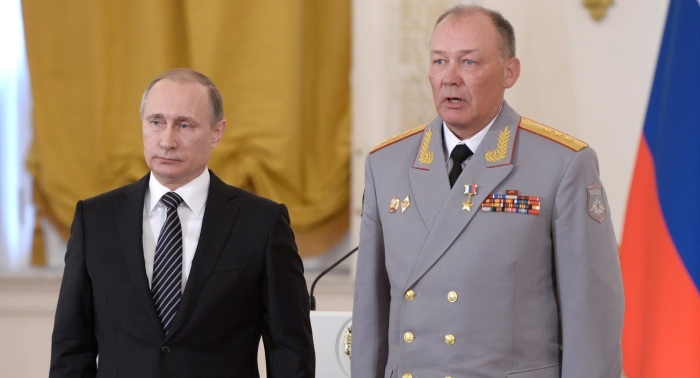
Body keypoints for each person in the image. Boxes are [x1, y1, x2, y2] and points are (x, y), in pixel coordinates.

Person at [352, 5, 623, 378]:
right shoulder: (386, 165)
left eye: (468, 62)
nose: (449, 78)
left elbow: (592, 317)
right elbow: (369, 310)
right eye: (439, 61)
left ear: (509, 72)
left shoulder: (562, 165)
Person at [50, 68, 315, 377]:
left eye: (184, 125)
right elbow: (72, 347)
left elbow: (290, 350)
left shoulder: (262, 223)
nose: (167, 140)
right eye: (156, 122)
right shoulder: (95, 219)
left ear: (217, 132)